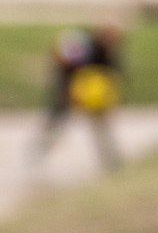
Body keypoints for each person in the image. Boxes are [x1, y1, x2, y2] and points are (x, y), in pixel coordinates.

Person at [29, 23, 124, 173]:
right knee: (56, 127)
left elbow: (111, 80)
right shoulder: (82, 46)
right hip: (69, 95)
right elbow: (63, 73)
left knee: (101, 130)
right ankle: (36, 157)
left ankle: (113, 164)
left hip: (93, 98)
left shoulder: (104, 55)